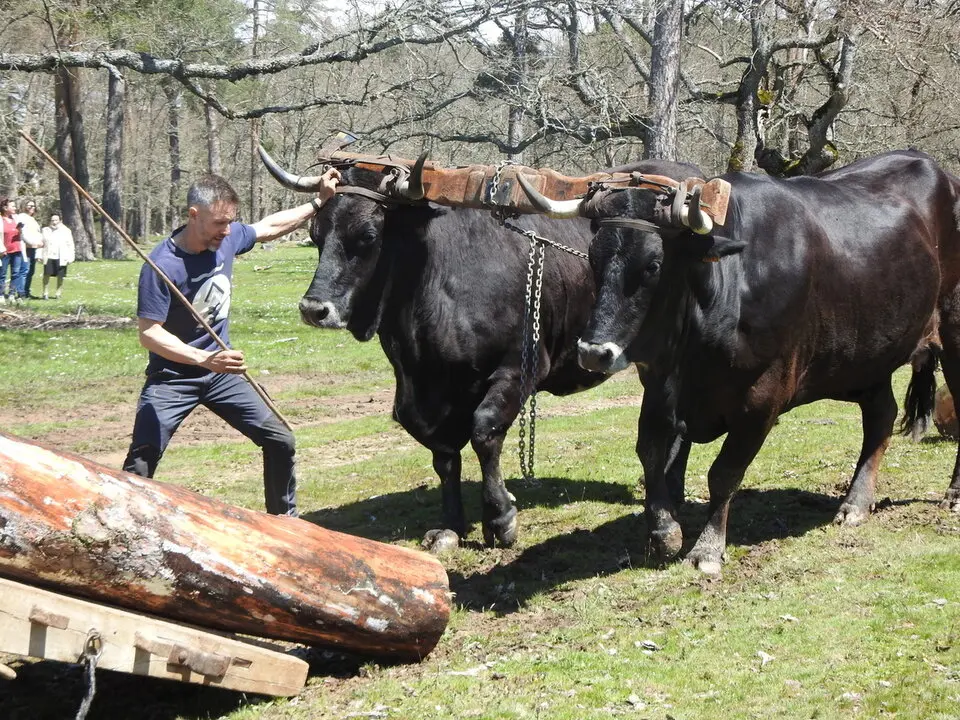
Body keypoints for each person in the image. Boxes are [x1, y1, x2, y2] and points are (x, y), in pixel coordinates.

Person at [121, 169, 340, 516]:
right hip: (172, 379)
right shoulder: (161, 265)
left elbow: (268, 227)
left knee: (281, 440)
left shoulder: (225, 240)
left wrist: (318, 202)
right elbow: (149, 333)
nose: (227, 231)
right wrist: (203, 359)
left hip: (222, 376)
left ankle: (284, 522)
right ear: (194, 215)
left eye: (230, 223)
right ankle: (125, 527)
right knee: (141, 463)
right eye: (219, 223)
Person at [40, 214, 75, 300]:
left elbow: (70, 244)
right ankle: (45, 293)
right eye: (53, 220)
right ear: (50, 221)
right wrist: (39, 255)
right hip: (49, 256)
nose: (54, 222)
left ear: (60, 221)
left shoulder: (66, 231)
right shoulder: (45, 230)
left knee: (60, 276)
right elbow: (41, 243)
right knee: (47, 275)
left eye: (56, 220)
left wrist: (71, 256)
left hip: (61, 256)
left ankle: (58, 293)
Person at [16, 199, 44, 298]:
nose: (32, 208)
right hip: (26, 247)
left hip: (34, 248)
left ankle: (26, 291)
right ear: (24, 206)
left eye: (33, 206)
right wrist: (31, 244)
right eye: (29, 206)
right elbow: (22, 233)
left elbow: (37, 233)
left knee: (31, 271)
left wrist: (40, 243)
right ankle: (21, 292)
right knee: (24, 270)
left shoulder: (33, 219)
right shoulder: (21, 217)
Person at [0, 197, 24, 305]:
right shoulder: (1, 220)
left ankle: (11, 294)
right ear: (5, 208)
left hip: (17, 250)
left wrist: (20, 231)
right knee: (2, 274)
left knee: (15, 273)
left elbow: (21, 235)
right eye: (12, 206)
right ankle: (1, 295)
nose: (15, 208)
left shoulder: (16, 218)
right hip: (4, 251)